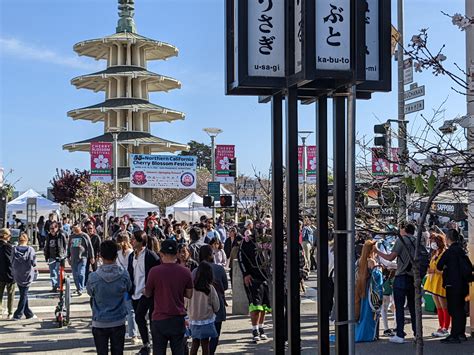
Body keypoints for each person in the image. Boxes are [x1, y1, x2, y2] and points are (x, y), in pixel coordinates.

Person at [144, 239, 194, 355]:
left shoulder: (154, 271)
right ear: (177, 253)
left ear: (161, 253)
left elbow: (148, 293)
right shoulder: (186, 272)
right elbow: (189, 294)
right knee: (178, 350)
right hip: (177, 318)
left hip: (159, 318)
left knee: (159, 351)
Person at [87, 240, 132, 355]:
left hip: (99, 320)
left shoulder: (93, 277)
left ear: (100, 256)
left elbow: (90, 293)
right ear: (116, 256)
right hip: (118, 320)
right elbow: (129, 288)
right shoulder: (124, 275)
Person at [375, 222, 417, 344]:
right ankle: (416, 333)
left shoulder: (401, 240)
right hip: (414, 277)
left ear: (404, 229)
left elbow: (390, 258)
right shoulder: (417, 240)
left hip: (401, 276)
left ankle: (400, 334)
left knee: (399, 307)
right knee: (413, 307)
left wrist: (377, 251)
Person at [128, 231, 160, 354]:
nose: (131, 241)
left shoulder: (150, 256)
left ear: (141, 241)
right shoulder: (132, 256)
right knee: (139, 318)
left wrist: (151, 289)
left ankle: (149, 344)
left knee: (140, 316)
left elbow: (157, 272)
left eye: (133, 239)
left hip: (146, 292)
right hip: (134, 291)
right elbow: (130, 271)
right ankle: (146, 344)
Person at [437, 229, 472, 343]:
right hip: (463, 285)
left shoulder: (449, 252)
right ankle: (461, 333)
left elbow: (439, 266)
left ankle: (454, 335)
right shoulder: (462, 251)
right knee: (461, 310)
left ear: (448, 239)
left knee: (453, 310)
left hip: (452, 285)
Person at [238, 223, 271, 342]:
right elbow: (240, 256)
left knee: (264, 306)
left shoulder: (269, 241)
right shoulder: (247, 242)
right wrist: (245, 273)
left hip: (266, 277)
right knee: (255, 305)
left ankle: (261, 328)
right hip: (252, 277)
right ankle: (254, 330)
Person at [197, 245, 228, 355]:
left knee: (201, 336)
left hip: (199, 307)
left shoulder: (195, 271)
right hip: (217, 304)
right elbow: (225, 286)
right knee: (215, 333)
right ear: (212, 255)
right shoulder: (219, 269)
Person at [187, 262, 220, 355]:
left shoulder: (192, 288)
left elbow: (185, 303)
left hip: (193, 320)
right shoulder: (210, 288)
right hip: (206, 320)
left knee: (195, 343)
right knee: (205, 344)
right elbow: (216, 306)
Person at [355, 240, 383, 342]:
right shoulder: (372, 261)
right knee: (371, 314)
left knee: (363, 312)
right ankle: (370, 334)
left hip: (362, 288)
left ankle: (363, 333)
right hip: (371, 290)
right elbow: (376, 277)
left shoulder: (360, 261)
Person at [423, 232, 450, 337]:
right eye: (432, 241)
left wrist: (435, 271)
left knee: (444, 306)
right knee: (438, 307)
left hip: (441, 282)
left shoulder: (444, 253)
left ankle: (446, 327)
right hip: (433, 282)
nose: (432, 243)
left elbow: (447, 270)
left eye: (434, 241)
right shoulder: (434, 253)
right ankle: (441, 326)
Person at [116, 233, 139, 345]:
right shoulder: (132, 253)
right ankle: (133, 334)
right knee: (131, 310)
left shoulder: (117, 253)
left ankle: (119, 333)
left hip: (119, 282)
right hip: (130, 282)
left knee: (121, 309)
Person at [11, 233, 37, 320]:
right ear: (27, 240)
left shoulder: (14, 249)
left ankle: (28, 314)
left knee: (23, 293)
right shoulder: (30, 250)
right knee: (24, 294)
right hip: (27, 274)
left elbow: (11, 260)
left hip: (17, 273)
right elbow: (34, 263)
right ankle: (17, 314)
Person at [67, 225, 95, 295]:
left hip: (82, 257)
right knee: (75, 275)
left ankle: (81, 288)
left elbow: (89, 246)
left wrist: (92, 257)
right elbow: (69, 247)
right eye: (74, 229)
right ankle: (79, 288)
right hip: (73, 258)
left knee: (81, 273)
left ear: (80, 228)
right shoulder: (71, 236)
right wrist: (68, 257)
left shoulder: (84, 236)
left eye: (76, 229)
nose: (75, 230)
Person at [44, 221, 68, 292]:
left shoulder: (61, 235)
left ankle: (59, 285)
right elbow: (47, 246)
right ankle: (54, 286)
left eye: (53, 228)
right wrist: (46, 255)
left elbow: (65, 246)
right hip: (51, 256)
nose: (52, 230)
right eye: (50, 228)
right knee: (52, 272)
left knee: (58, 272)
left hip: (59, 256)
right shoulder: (48, 236)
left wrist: (63, 255)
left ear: (57, 228)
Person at [0, 228, 15, 319]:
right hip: (9, 273)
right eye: (9, 236)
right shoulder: (8, 247)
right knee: (10, 294)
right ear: (6, 236)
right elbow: (11, 261)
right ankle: (10, 312)